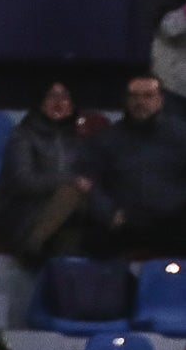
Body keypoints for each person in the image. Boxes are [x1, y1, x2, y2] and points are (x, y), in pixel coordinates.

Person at [74, 74, 186, 258]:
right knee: (91, 243)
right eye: (134, 96)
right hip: (122, 222)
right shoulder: (107, 139)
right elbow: (88, 180)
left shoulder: (181, 136)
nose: (139, 102)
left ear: (160, 100)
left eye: (147, 96)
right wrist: (109, 213)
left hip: (172, 222)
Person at [0, 82, 93, 261]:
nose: (59, 102)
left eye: (64, 97)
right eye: (52, 96)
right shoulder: (22, 135)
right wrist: (70, 180)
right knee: (72, 191)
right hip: (22, 213)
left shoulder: (79, 141)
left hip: (64, 219)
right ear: (40, 102)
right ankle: (32, 244)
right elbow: (23, 182)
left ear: (72, 105)